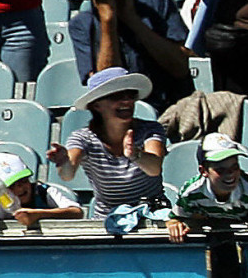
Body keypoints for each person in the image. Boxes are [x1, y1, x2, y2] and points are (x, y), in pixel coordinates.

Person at [63, 0, 194, 106]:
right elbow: (108, 87)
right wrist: (108, 20)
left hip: (173, 104)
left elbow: (181, 67)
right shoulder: (81, 25)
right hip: (122, 113)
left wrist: (131, 18)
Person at [48, 66, 168, 227]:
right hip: (108, 221)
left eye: (130, 95)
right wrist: (64, 161)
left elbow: (154, 168)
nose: (126, 101)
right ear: (97, 105)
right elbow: (67, 174)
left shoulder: (151, 129)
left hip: (152, 216)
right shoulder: (82, 138)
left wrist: (135, 154)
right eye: (116, 96)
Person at [169, 133, 248, 239]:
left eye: (234, 167)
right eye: (220, 170)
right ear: (203, 171)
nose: (230, 174)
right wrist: (175, 224)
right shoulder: (190, 193)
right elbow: (176, 218)